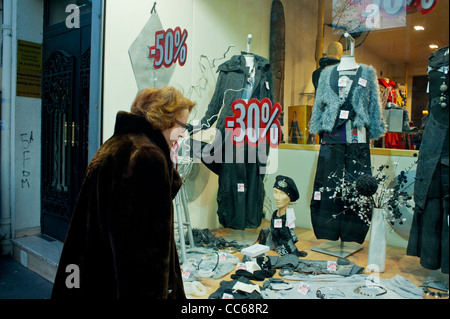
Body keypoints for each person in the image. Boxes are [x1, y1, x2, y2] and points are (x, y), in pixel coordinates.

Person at [51, 87, 196, 299]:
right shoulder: (147, 156)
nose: (183, 133)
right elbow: (143, 258)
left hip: (97, 275)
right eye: (182, 125)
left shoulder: (118, 145)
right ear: (164, 119)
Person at [257, 175, 307, 257]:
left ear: (290, 197)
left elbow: (288, 234)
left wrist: (293, 251)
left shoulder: (288, 216)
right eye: (275, 192)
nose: (277, 197)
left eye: (282, 194)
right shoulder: (275, 214)